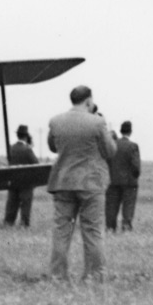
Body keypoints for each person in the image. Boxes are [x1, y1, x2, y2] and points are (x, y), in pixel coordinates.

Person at [47, 85, 116, 280]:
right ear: (89, 101)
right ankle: (94, 276)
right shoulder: (97, 122)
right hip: (91, 183)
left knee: (61, 231)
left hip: (63, 181)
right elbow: (110, 151)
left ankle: (57, 276)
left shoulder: (56, 121)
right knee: (92, 231)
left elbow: (52, 146)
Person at [105, 120, 141, 231]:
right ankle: (126, 226)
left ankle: (110, 227)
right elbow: (136, 166)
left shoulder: (113, 145)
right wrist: (135, 176)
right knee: (128, 205)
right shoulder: (133, 146)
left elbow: (107, 162)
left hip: (113, 181)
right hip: (129, 182)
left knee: (112, 206)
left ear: (120, 131)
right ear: (130, 132)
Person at [3, 124, 39, 227]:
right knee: (25, 204)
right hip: (26, 182)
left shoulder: (11, 148)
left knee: (11, 203)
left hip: (13, 181)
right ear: (26, 136)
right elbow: (36, 163)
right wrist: (31, 147)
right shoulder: (27, 150)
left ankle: (8, 222)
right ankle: (24, 224)